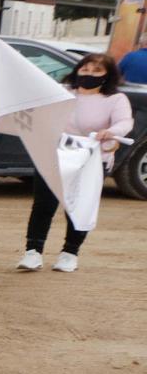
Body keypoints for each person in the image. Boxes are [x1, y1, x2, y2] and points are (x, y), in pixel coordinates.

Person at [18, 52, 132, 273]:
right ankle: (33, 252)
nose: (89, 74)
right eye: (85, 69)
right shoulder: (62, 94)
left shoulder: (115, 99)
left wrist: (110, 132)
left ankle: (70, 253)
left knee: (79, 205)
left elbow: (124, 122)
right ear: (77, 70)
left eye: (97, 71)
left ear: (107, 76)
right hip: (54, 155)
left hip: (91, 159)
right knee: (44, 204)